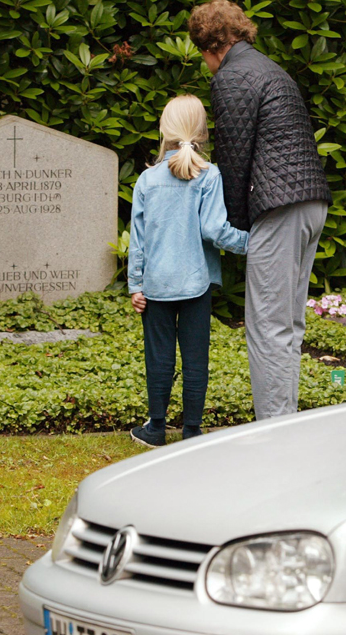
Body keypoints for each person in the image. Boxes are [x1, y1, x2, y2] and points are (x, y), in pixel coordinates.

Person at [188, 0, 332, 420]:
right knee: (287, 325)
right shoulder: (271, 69)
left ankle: (272, 433)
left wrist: (234, 225)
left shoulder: (232, 77)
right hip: (310, 203)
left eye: (202, 53)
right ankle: (283, 421)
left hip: (278, 207)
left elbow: (233, 159)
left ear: (211, 44)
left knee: (267, 327)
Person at [127, 94, 249, 448]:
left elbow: (138, 240)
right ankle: (192, 430)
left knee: (159, 356)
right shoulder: (209, 176)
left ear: (164, 130)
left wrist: (136, 284)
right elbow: (215, 230)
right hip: (196, 284)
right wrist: (253, 243)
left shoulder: (147, 180)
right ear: (202, 132)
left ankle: (156, 429)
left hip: (155, 286)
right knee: (196, 357)